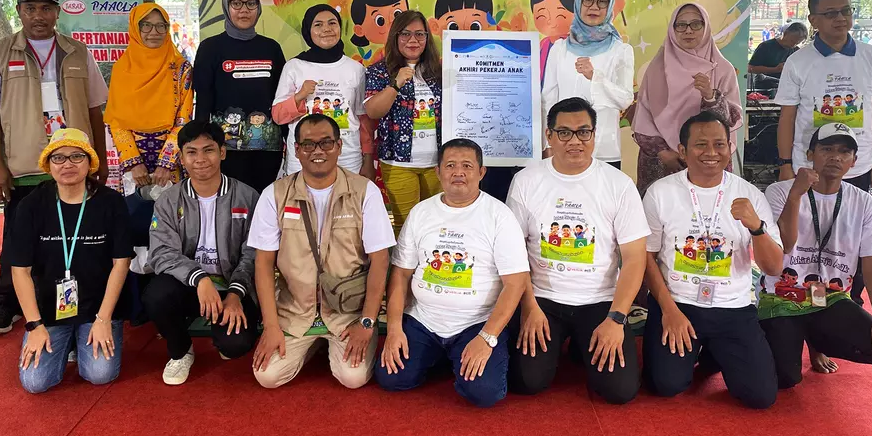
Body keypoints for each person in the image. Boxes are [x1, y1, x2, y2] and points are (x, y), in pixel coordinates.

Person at [0, 0, 109, 335]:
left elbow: (95, 110)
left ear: (57, 12)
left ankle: (67, 303)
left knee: (71, 236)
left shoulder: (78, 52)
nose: (38, 16)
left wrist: (101, 159)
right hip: (25, 164)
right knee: (17, 236)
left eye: (46, 8)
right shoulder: (0, 53)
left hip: (74, 162)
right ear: (19, 11)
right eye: (30, 8)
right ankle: (7, 305)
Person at [506, 98, 649, 404]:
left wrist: (617, 318)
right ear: (549, 136)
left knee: (619, 391)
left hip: (600, 302)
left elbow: (635, 257)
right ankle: (567, 344)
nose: (575, 141)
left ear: (594, 135)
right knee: (526, 381)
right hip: (542, 298)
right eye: (564, 133)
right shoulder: (526, 180)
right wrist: (528, 306)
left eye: (584, 132)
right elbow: (513, 253)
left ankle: (579, 344)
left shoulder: (618, 184)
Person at [642, 111, 784, 409]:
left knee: (760, 396)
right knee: (666, 385)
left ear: (730, 147)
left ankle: (712, 351)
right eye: (701, 144)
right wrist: (669, 310)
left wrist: (756, 227)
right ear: (683, 151)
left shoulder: (749, 195)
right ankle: (702, 348)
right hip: (679, 303)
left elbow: (773, 268)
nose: (711, 152)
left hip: (732, 307)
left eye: (719, 144)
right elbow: (647, 258)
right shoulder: (660, 193)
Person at [376, 139, 530, 408]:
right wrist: (394, 329)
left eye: (467, 166)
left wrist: (487, 337)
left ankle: (461, 355)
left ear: (481, 172)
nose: (458, 172)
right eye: (450, 166)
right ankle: (445, 356)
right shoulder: (421, 212)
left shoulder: (499, 216)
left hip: (476, 324)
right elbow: (400, 274)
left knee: (483, 392)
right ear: (438, 172)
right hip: (424, 321)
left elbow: (515, 283)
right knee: (391, 377)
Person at [249, 114, 395, 389]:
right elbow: (263, 264)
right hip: (294, 311)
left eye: (326, 143)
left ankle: (327, 343)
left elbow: (380, 260)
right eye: (308, 145)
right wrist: (271, 326)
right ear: (296, 150)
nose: (318, 151)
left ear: (339, 146)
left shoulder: (365, 192)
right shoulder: (274, 194)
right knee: (267, 376)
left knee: (352, 378)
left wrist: (366, 322)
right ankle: (312, 344)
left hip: (348, 312)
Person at [775, 0, 872, 304]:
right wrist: (785, 163)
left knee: (852, 241)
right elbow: (787, 117)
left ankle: (848, 303)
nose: (840, 18)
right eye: (830, 13)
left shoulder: (871, 57)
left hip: (857, 167)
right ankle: (801, 303)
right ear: (814, 20)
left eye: (845, 10)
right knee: (805, 238)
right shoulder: (798, 61)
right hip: (807, 167)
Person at [760, 124, 872, 387]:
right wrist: (796, 196)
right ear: (810, 154)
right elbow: (786, 246)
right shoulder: (779, 191)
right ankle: (783, 333)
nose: (836, 157)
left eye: (844, 152)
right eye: (827, 149)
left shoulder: (864, 202)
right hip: (783, 298)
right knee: (786, 378)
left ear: (854, 161)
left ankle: (817, 341)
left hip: (830, 299)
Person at [4, 128, 132, 393]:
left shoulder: (111, 203)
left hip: (97, 307)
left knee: (100, 373)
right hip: (49, 310)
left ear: (89, 162)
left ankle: (82, 335)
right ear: (48, 164)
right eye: (58, 158)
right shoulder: (31, 206)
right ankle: (68, 339)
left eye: (76, 156)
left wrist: (103, 319)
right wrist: (34, 325)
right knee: (35, 382)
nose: (67, 164)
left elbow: (121, 263)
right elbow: (20, 271)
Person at [142, 121, 260, 385]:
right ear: (181, 158)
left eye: (208, 150)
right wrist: (199, 278)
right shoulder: (169, 200)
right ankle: (181, 350)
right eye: (191, 152)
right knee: (156, 296)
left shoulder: (247, 196)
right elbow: (161, 252)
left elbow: (254, 252)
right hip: (190, 287)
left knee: (235, 344)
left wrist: (236, 293)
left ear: (222, 152)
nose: (200, 159)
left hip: (232, 287)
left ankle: (224, 336)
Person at [632, 2, 743, 195]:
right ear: (672, 29)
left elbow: (732, 119)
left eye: (696, 24)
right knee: (659, 207)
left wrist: (710, 96)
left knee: (710, 208)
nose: (688, 31)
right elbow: (643, 114)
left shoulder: (722, 69)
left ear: (706, 27)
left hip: (709, 157)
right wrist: (663, 152)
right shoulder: (658, 67)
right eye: (681, 25)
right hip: (663, 160)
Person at [193, 0, 287, 192]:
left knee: (263, 203)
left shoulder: (271, 48)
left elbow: (281, 98)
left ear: (258, 8)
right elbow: (204, 99)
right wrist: (202, 143)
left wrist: (289, 140)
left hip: (267, 149)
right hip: (226, 149)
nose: (244, 10)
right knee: (230, 203)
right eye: (236, 3)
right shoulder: (210, 48)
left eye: (251, 3)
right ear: (227, 7)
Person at [542, 0, 634, 169]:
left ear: (610, 6)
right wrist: (548, 144)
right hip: (564, 146)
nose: (594, 7)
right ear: (578, 3)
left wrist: (595, 78)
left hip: (604, 149)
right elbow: (548, 99)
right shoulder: (559, 49)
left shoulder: (621, 50)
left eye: (602, 1)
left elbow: (625, 99)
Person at [364, 11, 443, 234]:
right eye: (405, 34)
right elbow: (372, 111)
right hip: (399, 163)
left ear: (427, 38)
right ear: (395, 37)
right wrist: (396, 83)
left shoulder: (438, 71)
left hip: (437, 163)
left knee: (436, 225)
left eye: (420, 34)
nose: (413, 40)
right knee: (406, 228)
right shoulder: (380, 71)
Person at [272, 4, 371, 177]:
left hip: (347, 158)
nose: (326, 29)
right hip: (304, 158)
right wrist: (300, 96)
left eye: (332, 23)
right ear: (308, 31)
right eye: (318, 24)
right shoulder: (294, 67)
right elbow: (278, 116)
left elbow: (363, 119)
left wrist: (368, 159)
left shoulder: (356, 69)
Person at [106, 3, 193, 191]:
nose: (154, 32)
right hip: (133, 166)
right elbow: (117, 121)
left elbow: (184, 119)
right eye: (146, 25)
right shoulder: (122, 69)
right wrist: (133, 162)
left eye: (161, 25)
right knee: (135, 208)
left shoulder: (181, 69)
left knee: (174, 208)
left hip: (172, 161)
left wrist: (166, 163)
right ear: (135, 29)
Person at [349, 0, 408, 64]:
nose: (392, 22)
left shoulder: (413, 51)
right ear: (359, 30)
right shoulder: (379, 57)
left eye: (397, 14)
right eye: (380, 20)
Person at [530, 0, 579, 80]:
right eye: (541, 15)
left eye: (561, 16)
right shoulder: (543, 43)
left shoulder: (575, 44)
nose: (551, 22)